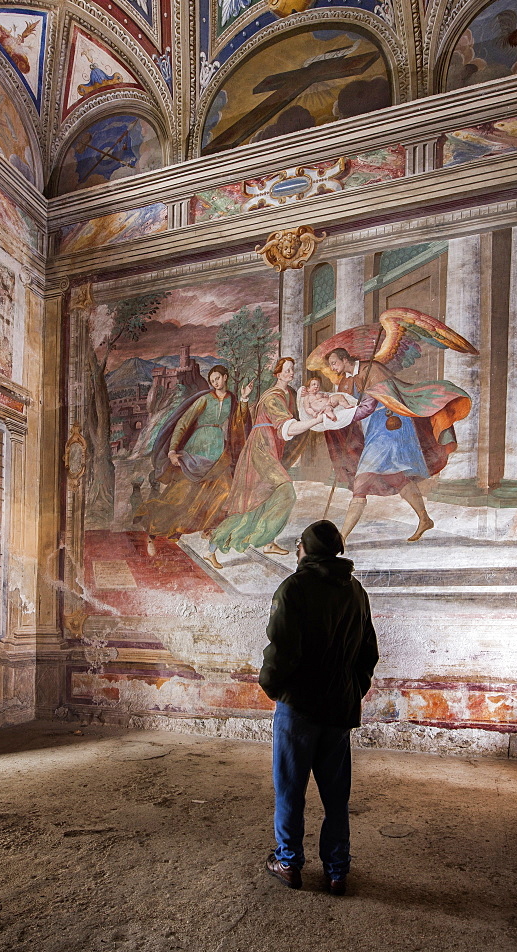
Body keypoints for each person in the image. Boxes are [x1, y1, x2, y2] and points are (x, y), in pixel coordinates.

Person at [259, 519, 379, 893]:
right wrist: (351, 689)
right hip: (339, 705)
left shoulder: (295, 587)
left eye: (299, 544)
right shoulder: (356, 591)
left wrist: (273, 687)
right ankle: (336, 870)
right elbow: (368, 653)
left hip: (300, 706)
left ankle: (289, 863)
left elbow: (281, 650)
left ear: (306, 549)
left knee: (291, 790)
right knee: (335, 794)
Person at [325, 347, 460, 543]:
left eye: (334, 362)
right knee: (397, 477)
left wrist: (354, 409)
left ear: (345, 359)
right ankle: (424, 518)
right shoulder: (346, 381)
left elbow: (372, 404)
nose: (332, 367)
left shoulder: (372, 369)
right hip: (373, 430)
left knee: (360, 482)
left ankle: (342, 537)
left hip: (389, 428)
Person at [209, 357, 322, 564]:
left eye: (292, 369)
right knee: (286, 491)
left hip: (270, 448)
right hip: (260, 449)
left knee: (263, 498)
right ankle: (246, 539)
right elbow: (288, 427)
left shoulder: (288, 394)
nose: (291, 373)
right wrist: (317, 421)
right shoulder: (273, 397)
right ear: (278, 374)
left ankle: (266, 541)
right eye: (286, 370)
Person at [134, 365, 252, 556]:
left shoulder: (232, 399)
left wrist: (245, 397)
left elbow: (239, 420)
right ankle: (152, 532)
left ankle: (210, 528)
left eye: (217, 378)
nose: (215, 382)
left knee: (224, 490)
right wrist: (172, 450)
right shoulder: (205, 399)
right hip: (197, 449)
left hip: (218, 452)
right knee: (180, 496)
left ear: (225, 377)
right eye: (212, 380)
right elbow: (184, 422)